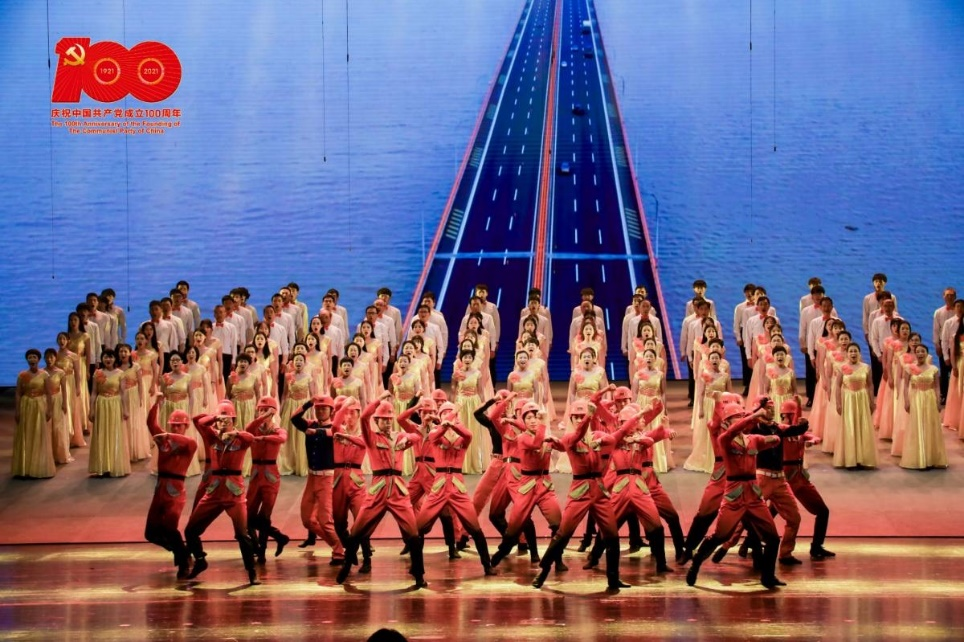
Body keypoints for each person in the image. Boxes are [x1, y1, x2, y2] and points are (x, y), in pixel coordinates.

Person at [685, 401, 786, 589]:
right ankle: (696, 563)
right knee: (720, 536)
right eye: (735, 417)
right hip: (734, 495)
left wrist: (772, 430)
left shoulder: (752, 439)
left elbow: (775, 440)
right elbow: (732, 432)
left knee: (773, 538)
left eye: (741, 416)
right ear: (726, 422)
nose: (740, 419)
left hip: (754, 494)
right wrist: (754, 416)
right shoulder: (724, 439)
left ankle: (768, 576)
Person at [337, 396, 426, 588]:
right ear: (376, 421)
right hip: (378, 488)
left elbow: (418, 436)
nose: (387, 422)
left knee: (413, 534)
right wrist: (378, 401)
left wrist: (409, 436)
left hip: (398, 490)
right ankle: (346, 565)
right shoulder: (371, 437)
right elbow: (363, 418)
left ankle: (419, 574)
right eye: (383, 419)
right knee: (357, 530)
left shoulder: (399, 437)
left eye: (389, 419)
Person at [414, 402, 498, 576]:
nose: (449, 416)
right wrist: (446, 422)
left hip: (457, 486)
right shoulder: (435, 434)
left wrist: (452, 423)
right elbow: (435, 435)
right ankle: (417, 568)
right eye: (444, 413)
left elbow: (468, 434)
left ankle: (487, 565)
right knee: (419, 527)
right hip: (439, 485)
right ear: (440, 417)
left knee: (474, 526)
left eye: (451, 413)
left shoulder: (462, 437)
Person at [185, 400, 262, 585]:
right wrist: (215, 417)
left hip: (234, 493)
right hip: (214, 491)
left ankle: (252, 571)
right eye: (220, 420)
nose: (222, 423)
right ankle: (200, 560)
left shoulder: (240, 438)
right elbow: (198, 421)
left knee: (242, 534)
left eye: (227, 420)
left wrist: (235, 432)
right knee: (190, 531)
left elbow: (251, 438)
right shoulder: (211, 437)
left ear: (234, 420)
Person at [144, 399, 198, 578]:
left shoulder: (189, 443)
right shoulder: (165, 440)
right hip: (160, 488)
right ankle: (183, 552)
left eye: (178, 425)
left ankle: (183, 562)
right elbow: (151, 424)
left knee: (170, 528)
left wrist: (166, 435)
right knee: (150, 533)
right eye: (173, 425)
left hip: (175, 490)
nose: (175, 428)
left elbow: (184, 442)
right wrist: (156, 404)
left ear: (186, 426)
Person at [290, 395, 345, 565]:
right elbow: (294, 418)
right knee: (308, 520)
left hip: (327, 478)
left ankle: (339, 551)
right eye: (318, 408)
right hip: (312, 477)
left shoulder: (336, 427)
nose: (320, 411)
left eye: (324, 408)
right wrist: (308, 403)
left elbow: (331, 433)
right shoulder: (311, 424)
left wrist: (316, 432)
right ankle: (338, 545)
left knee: (325, 519)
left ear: (331, 411)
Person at [900, 345, 947, 470]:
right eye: (918, 352)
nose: (920, 353)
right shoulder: (909, 368)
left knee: (930, 426)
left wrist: (938, 401)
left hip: (930, 399)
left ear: (927, 353)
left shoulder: (934, 369)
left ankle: (931, 457)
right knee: (917, 426)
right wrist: (906, 400)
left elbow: (937, 386)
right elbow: (905, 386)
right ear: (915, 354)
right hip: (916, 398)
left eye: (923, 351)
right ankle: (918, 458)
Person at [11, 349, 55, 479]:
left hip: (39, 405)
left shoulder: (44, 375)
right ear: (27, 360)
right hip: (26, 406)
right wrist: (17, 410)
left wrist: (49, 410)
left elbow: (49, 393)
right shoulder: (22, 375)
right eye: (30, 357)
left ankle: (39, 467)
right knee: (26, 433)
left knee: (39, 433)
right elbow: (18, 393)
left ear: (38, 359)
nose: (32, 359)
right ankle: (25, 468)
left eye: (34, 357)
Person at [88, 349, 131, 478]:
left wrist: (125, 409)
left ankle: (114, 465)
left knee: (115, 432)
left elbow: (123, 392)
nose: (108, 359)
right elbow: (94, 392)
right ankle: (102, 466)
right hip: (101, 404)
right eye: (106, 357)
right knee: (101, 433)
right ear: (102, 359)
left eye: (111, 357)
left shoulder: (120, 373)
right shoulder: (97, 373)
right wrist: (91, 409)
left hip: (115, 404)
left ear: (115, 359)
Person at [834, 344, 878, 469]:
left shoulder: (866, 367)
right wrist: (838, 403)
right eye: (851, 351)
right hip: (848, 399)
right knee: (850, 427)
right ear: (847, 354)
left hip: (862, 399)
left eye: (855, 351)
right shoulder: (842, 368)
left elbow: (870, 385)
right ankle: (850, 459)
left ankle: (863, 459)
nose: (853, 353)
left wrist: (872, 401)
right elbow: (837, 386)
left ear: (859, 353)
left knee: (863, 426)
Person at [685, 351, 730, 473]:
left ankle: (721, 458)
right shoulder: (705, 375)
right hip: (708, 405)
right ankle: (707, 458)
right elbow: (700, 393)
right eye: (712, 358)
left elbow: (729, 393)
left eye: (716, 358)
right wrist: (700, 409)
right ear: (709, 361)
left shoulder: (725, 376)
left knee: (721, 431)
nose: (714, 360)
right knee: (708, 432)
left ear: (720, 360)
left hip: (721, 406)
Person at [43, 348, 71, 465]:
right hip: (45, 401)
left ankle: (59, 454)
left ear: (55, 358)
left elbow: (64, 389)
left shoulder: (60, 372)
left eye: (51, 357)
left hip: (57, 400)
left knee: (58, 428)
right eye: (47, 357)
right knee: (47, 427)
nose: (49, 360)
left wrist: (64, 403)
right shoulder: (42, 372)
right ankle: (47, 454)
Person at [933, 288, 957, 404]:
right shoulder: (938, 312)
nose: (949, 297)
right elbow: (936, 330)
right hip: (944, 344)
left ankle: (956, 395)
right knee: (944, 370)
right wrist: (937, 345)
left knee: (956, 370)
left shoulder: (959, 311)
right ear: (943, 296)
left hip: (958, 345)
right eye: (947, 295)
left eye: (952, 295)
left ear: (955, 297)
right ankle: (944, 395)